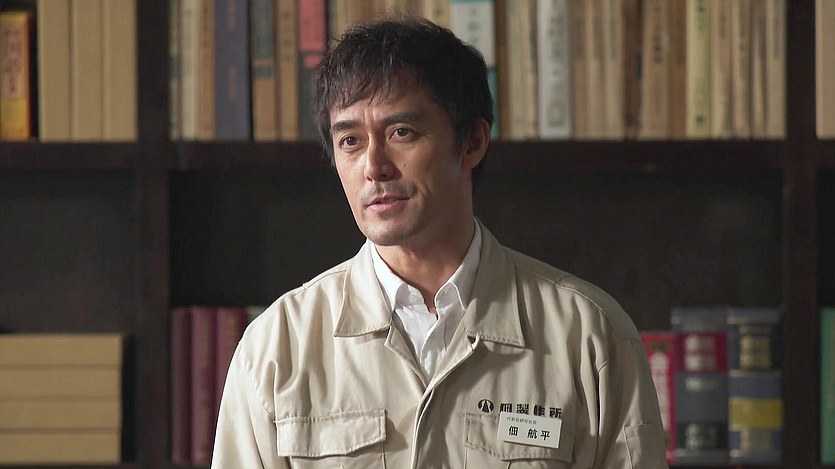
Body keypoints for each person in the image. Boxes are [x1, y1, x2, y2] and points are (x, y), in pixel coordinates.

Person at [212, 16, 667, 468]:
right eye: (350, 141)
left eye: (401, 133)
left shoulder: (589, 335)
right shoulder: (275, 348)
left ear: (473, 141)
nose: (374, 167)